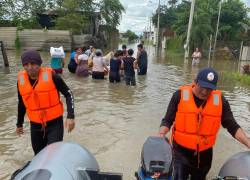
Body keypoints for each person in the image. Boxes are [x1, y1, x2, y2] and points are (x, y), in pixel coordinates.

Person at [159, 67, 250, 180]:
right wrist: (161, 136)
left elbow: (232, 126)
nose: (205, 92)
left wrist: (248, 142)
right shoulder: (179, 95)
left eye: (209, 89)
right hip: (180, 153)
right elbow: (167, 120)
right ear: (195, 81)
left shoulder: (220, 101)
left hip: (205, 155)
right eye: (202, 87)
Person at [16, 49, 75, 155]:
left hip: (54, 123)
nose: (30, 67)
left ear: (39, 63)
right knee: (38, 154)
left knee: (54, 154)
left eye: (33, 63)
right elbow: (21, 103)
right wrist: (19, 124)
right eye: (26, 64)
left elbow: (68, 94)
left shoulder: (53, 76)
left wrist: (70, 116)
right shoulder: (21, 81)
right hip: (35, 125)